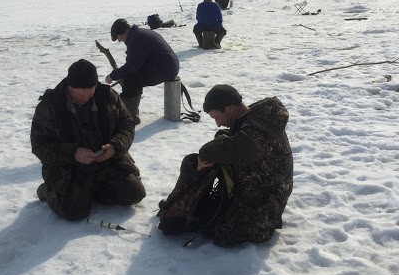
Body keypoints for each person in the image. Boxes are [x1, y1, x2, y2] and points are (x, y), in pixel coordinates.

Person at [159, 84, 293, 246]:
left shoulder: (258, 129)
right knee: (195, 164)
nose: (218, 123)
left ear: (230, 108)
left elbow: (235, 148)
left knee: (222, 233)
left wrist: (205, 153)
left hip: (264, 208)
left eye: (217, 117)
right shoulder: (253, 121)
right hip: (255, 193)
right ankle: (179, 206)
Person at [31, 59, 146, 221]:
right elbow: (40, 145)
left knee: (135, 193)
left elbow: (127, 124)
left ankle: (87, 192)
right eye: (80, 94)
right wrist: (73, 153)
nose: (86, 98)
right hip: (68, 168)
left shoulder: (107, 96)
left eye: (90, 93)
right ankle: (49, 190)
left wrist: (115, 146)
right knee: (73, 212)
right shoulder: (50, 106)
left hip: (107, 162)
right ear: (69, 87)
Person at [105, 18, 180, 124]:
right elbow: (135, 63)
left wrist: (112, 76)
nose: (119, 40)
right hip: (166, 66)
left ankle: (128, 117)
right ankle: (128, 112)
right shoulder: (138, 35)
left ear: (123, 31)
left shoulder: (136, 39)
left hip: (166, 69)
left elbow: (132, 66)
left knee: (131, 80)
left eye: (118, 37)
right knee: (131, 76)